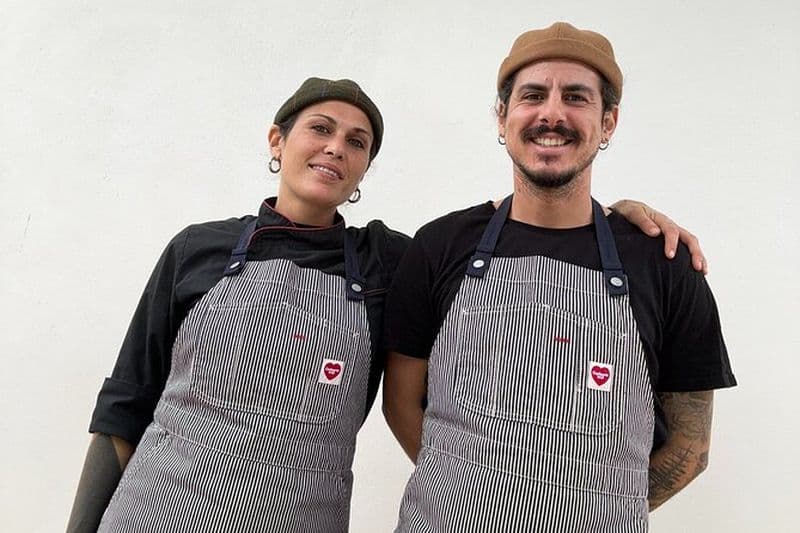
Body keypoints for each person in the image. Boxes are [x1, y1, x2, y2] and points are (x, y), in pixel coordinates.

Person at [67, 76, 706, 532]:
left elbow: (526, 226)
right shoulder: (196, 250)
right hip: (155, 510)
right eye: (320, 129)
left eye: (357, 142)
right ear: (276, 140)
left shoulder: (389, 261)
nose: (335, 149)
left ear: (366, 168)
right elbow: (126, 400)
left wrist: (627, 218)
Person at [382, 22, 736, 532]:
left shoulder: (666, 263)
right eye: (532, 95)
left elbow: (691, 448)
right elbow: (401, 402)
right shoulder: (440, 246)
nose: (552, 113)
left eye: (576, 97)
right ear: (502, 118)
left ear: (608, 122)